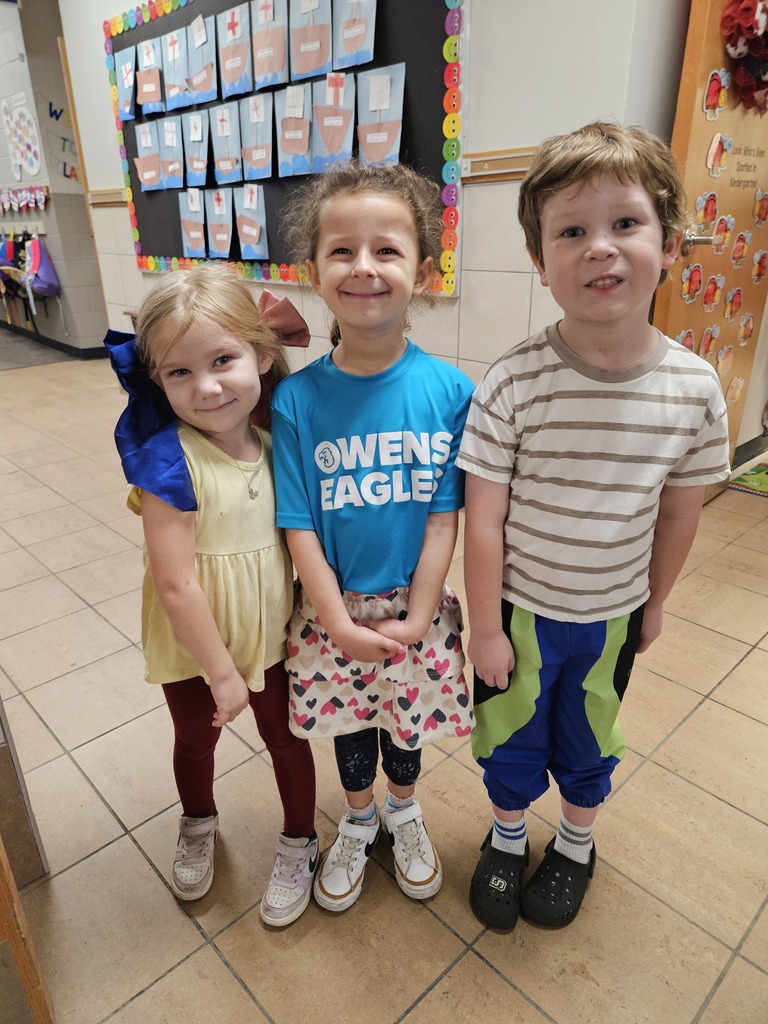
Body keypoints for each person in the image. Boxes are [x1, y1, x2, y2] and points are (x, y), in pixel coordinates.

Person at [457, 122, 731, 931]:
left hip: (610, 618)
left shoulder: (695, 389)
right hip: (520, 615)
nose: (600, 248)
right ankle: (508, 836)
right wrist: (484, 628)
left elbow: (680, 509)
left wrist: (655, 603)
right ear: (541, 263)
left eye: (625, 223)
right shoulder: (513, 381)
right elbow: (483, 520)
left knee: (590, 740)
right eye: (571, 232)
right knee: (509, 739)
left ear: (669, 245)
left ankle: (576, 844)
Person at [271, 161, 475, 913]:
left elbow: (443, 518)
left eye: (386, 250)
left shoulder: (451, 392)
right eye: (342, 250)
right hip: (332, 610)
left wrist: (418, 617)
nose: (364, 267)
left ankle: (403, 811)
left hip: (415, 605)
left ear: (422, 272)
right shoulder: (296, 399)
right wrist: (335, 621)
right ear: (314, 272)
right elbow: (298, 525)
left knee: (405, 727)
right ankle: (359, 819)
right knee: (351, 727)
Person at [103, 265, 318, 927]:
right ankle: (197, 820)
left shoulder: (280, 445)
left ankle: (300, 839)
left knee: (287, 739)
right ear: (157, 380)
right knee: (195, 740)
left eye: (223, 360)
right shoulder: (168, 460)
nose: (207, 386)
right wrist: (221, 672)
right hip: (195, 647)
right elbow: (175, 582)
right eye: (180, 372)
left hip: (270, 635)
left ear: (262, 354)